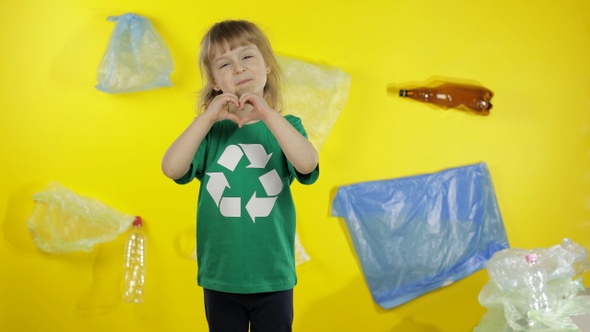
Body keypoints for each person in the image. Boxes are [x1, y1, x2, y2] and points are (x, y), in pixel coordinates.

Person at [161, 20, 319, 332]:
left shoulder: (286, 127)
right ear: (215, 82)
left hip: (273, 274)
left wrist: (268, 115)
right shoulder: (210, 133)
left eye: (247, 57)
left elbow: (306, 163)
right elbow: (171, 168)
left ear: (267, 67)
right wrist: (206, 118)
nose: (238, 68)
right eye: (224, 63)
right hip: (221, 275)